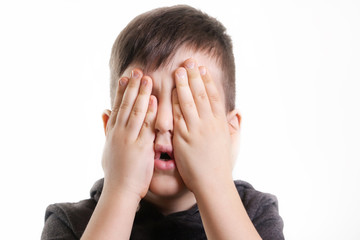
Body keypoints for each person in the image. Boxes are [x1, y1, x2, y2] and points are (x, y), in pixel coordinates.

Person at [41, 5, 284, 240]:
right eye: (144, 102)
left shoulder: (254, 214)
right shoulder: (71, 222)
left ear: (229, 131)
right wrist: (122, 190)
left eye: (186, 103)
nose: (164, 122)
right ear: (110, 129)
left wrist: (214, 183)